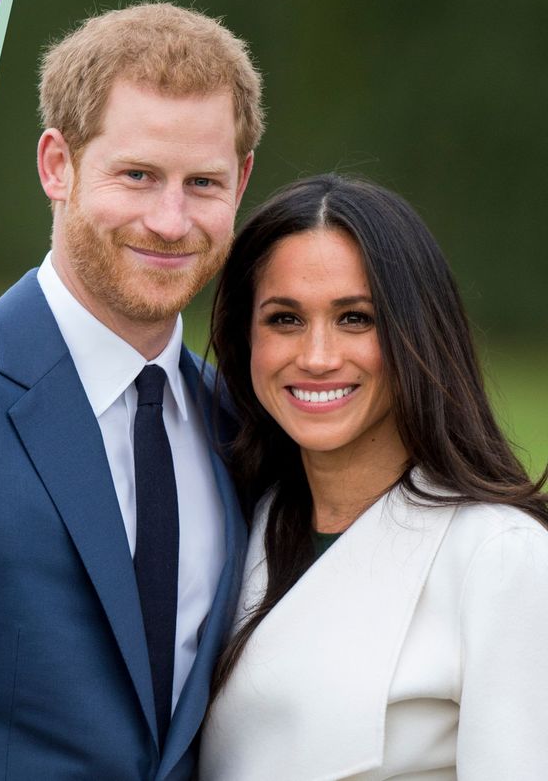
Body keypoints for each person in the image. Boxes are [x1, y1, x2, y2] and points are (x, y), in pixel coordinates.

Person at [0, 3, 264, 780]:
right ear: (56, 164)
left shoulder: (238, 426)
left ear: (239, 182)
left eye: (201, 182)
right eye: (137, 174)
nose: (171, 221)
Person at [200, 175, 548, 778]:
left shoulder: (500, 555)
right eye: (284, 318)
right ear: (245, 338)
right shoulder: (237, 518)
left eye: (355, 318)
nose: (316, 356)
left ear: (419, 334)